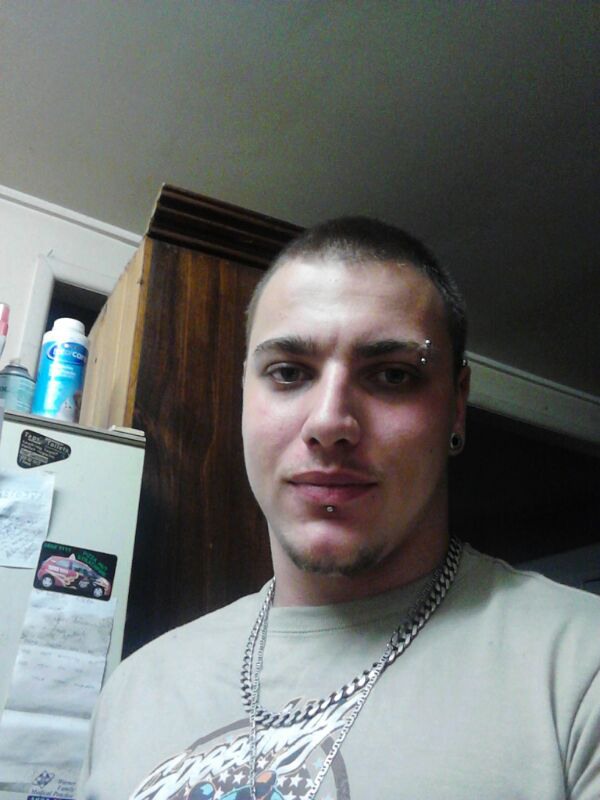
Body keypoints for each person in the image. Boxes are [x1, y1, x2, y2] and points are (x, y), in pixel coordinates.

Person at [78, 218, 600, 800]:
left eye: (392, 375)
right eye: (288, 372)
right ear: (245, 394)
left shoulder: (580, 668)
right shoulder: (131, 692)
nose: (329, 422)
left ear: (456, 408)